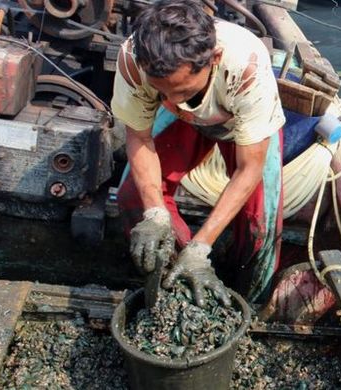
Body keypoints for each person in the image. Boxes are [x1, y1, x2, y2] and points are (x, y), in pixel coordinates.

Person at [112, 0, 285, 307]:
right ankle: (173, 282)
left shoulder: (247, 67)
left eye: (183, 91)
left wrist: (201, 246)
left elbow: (248, 169)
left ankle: (244, 295)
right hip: (183, 122)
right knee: (133, 198)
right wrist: (155, 214)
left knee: (259, 224)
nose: (171, 99)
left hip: (238, 123)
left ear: (214, 59)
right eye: (161, 91)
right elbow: (139, 136)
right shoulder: (133, 58)